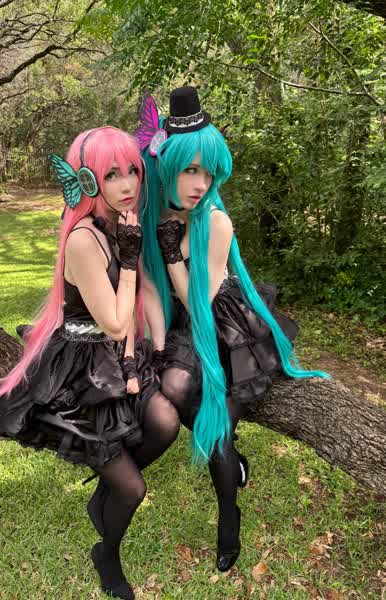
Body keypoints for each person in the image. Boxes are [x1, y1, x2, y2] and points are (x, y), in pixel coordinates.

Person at [137, 87, 330, 572]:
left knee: (218, 426)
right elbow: (153, 290)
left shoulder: (216, 221)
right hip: (183, 324)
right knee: (174, 388)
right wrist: (155, 342)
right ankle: (234, 463)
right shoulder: (157, 214)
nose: (200, 183)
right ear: (167, 166)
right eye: (190, 170)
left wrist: (173, 253)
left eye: (208, 172)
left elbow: (198, 302)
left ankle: (229, 517)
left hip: (223, 323)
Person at [0, 126, 180, 600]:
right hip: (83, 371)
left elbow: (140, 302)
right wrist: (130, 260)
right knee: (133, 491)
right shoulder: (82, 239)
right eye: (111, 175)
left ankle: (107, 488)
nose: (127, 184)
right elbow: (115, 322)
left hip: (118, 357)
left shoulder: (119, 222)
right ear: (88, 181)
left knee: (165, 423)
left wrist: (149, 354)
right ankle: (107, 554)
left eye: (132, 171)